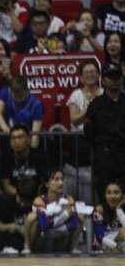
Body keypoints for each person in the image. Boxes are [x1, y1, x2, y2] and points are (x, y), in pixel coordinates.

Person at [84, 62, 125, 207]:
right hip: (105, 156)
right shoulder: (95, 105)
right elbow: (89, 133)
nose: (114, 80)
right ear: (104, 80)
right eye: (110, 77)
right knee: (105, 199)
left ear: (122, 78)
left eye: (117, 76)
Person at [24, 168, 82, 253]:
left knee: (80, 217)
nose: (60, 183)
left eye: (62, 179)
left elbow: (73, 224)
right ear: (47, 183)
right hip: (42, 241)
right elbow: (44, 224)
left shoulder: (69, 200)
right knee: (31, 217)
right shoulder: (39, 201)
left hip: (60, 240)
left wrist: (52, 228)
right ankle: (27, 249)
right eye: (56, 179)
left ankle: (72, 250)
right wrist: (65, 215)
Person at [0, 177, 39, 253]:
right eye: (21, 200)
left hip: (26, 243)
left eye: (26, 202)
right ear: (17, 194)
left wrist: (27, 230)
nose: (22, 204)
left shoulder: (36, 206)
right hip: (6, 242)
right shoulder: (5, 201)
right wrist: (12, 226)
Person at [0, 76, 44, 149]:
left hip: (27, 140)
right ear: (11, 91)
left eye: (22, 95)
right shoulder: (5, 93)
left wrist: (32, 150)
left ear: (27, 90)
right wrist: (6, 129)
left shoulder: (36, 105)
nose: (20, 99)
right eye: (16, 96)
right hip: (9, 136)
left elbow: (35, 136)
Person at [0, 124, 49, 195]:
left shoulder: (40, 156)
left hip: (36, 195)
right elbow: (6, 186)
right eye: (13, 138)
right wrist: (23, 195)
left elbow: (44, 183)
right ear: (10, 142)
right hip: (15, 195)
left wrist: (31, 196)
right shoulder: (5, 158)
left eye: (20, 137)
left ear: (29, 139)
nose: (17, 141)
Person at [93, 181, 125, 253]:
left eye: (116, 193)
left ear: (122, 195)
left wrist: (119, 209)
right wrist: (116, 246)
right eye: (109, 193)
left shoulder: (121, 211)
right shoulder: (99, 210)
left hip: (120, 245)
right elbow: (100, 238)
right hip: (103, 247)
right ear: (105, 195)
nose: (112, 196)